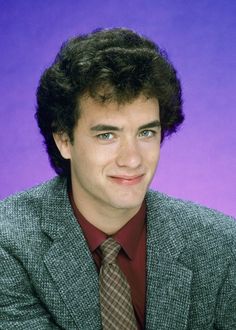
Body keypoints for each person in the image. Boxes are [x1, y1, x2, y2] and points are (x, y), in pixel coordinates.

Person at [0, 27, 235, 330]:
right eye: (107, 135)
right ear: (64, 140)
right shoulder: (9, 243)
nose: (133, 159)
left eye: (146, 132)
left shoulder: (223, 245)